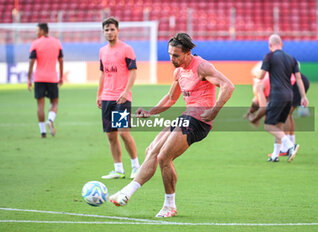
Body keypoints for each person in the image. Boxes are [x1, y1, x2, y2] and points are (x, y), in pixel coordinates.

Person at [109, 33, 234, 218]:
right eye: (170, 54)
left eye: (176, 55)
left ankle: (169, 206)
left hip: (199, 121)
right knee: (152, 150)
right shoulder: (178, 71)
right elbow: (171, 98)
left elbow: (228, 86)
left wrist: (214, 111)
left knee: (164, 157)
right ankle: (126, 193)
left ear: (188, 53)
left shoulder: (202, 66)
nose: (172, 59)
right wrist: (150, 112)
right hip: (187, 116)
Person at [97, 17, 140, 179]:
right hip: (107, 97)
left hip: (122, 98)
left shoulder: (126, 49)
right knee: (110, 134)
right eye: (106, 30)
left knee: (123, 132)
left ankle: (136, 166)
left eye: (112, 29)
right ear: (103, 32)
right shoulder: (102, 51)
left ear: (118, 30)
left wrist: (126, 91)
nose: (109, 32)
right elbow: (103, 73)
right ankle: (118, 169)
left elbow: (133, 71)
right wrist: (99, 93)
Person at [256, 34, 308, 162]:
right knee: (278, 125)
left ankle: (290, 146)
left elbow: (261, 76)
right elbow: (298, 78)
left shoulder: (269, 56)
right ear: (282, 44)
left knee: (269, 126)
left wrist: (256, 73)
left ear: (270, 45)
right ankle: (275, 155)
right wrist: (303, 97)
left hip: (277, 95)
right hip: (289, 95)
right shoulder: (292, 58)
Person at [245, 63, 310, 156]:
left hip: (295, 83)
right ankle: (291, 143)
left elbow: (261, 107)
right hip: (300, 80)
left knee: (286, 115)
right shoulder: (265, 80)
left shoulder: (259, 86)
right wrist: (251, 113)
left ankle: (286, 148)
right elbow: (258, 104)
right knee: (289, 114)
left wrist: (254, 119)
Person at [28, 23, 63, 138]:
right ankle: (50, 119)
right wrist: (61, 76)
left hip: (39, 78)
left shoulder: (35, 43)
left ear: (43, 31)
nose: (36, 33)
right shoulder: (57, 42)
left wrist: (29, 78)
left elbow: (32, 62)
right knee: (54, 102)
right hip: (52, 78)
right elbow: (61, 60)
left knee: (40, 105)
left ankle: (43, 132)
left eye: (37, 30)